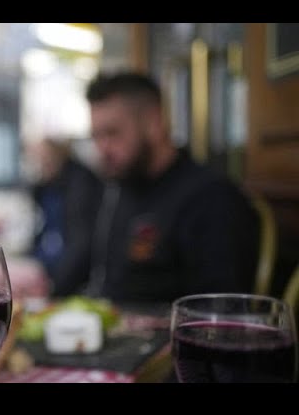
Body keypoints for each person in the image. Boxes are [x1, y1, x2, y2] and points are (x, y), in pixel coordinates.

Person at [80, 71, 260, 303]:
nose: (102, 148)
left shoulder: (211, 198)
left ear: (153, 123)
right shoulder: (123, 187)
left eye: (113, 133)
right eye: (96, 136)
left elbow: (221, 310)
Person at [28, 138, 103, 297]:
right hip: (44, 264)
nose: (40, 164)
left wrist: (55, 288)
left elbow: (81, 244)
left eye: (45, 159)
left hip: (65, 274)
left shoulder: (81, 185)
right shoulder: (46, 186)